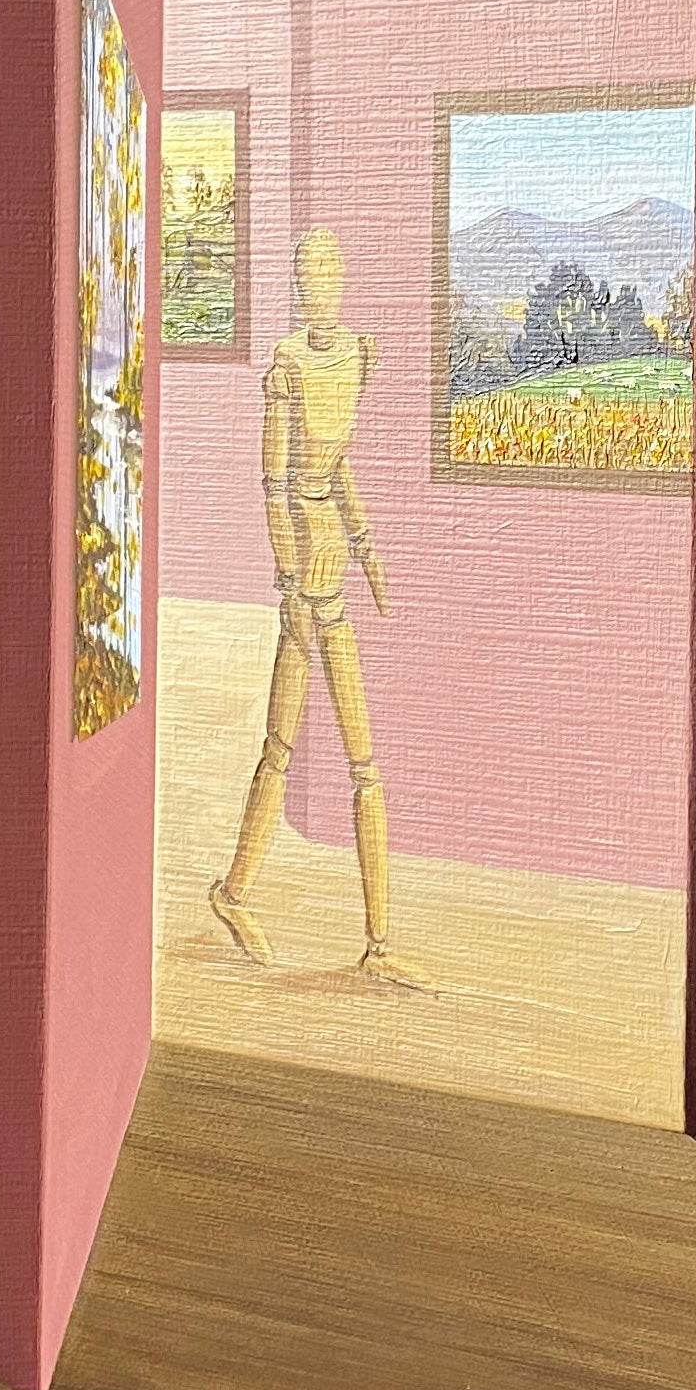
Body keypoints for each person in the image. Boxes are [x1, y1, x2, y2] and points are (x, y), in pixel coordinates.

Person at [210, 229, 424, 988]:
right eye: (310, 272)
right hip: (308, 573)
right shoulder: (288, 365)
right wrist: (294, 576)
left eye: (332, 270)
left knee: (322, 753)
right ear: (298, 285)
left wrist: (364, 544)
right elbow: (274, 485)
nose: (322, 284)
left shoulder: (358, 357)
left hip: (329, 557)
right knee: (319, 752)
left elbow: (337, 466)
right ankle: (360, 936)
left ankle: (354, 934)